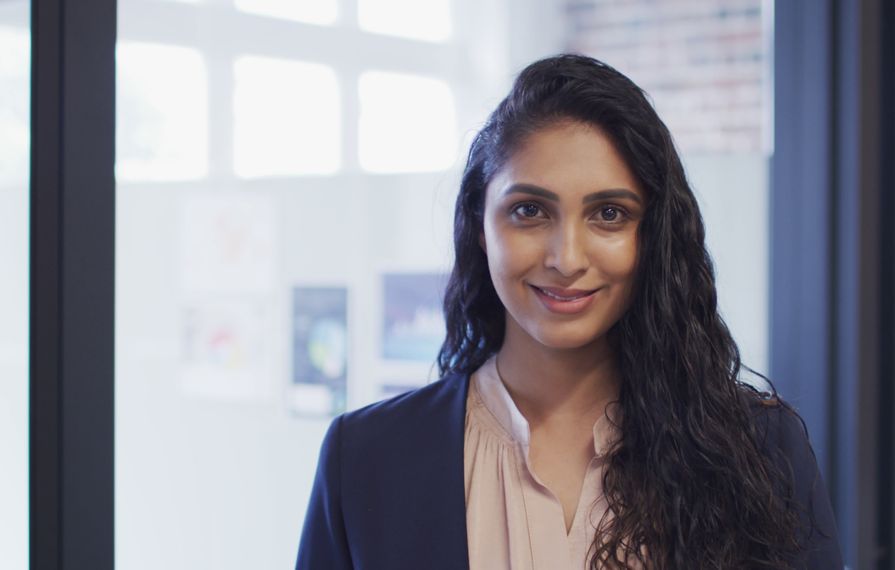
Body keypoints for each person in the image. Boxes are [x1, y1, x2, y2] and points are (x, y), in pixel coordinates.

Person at [296, 54, 843, 569]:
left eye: (609, 213)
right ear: (480, 226)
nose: (567, 259)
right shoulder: (367, 459)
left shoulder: (761, 451)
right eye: (529, 211)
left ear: (651, 235)